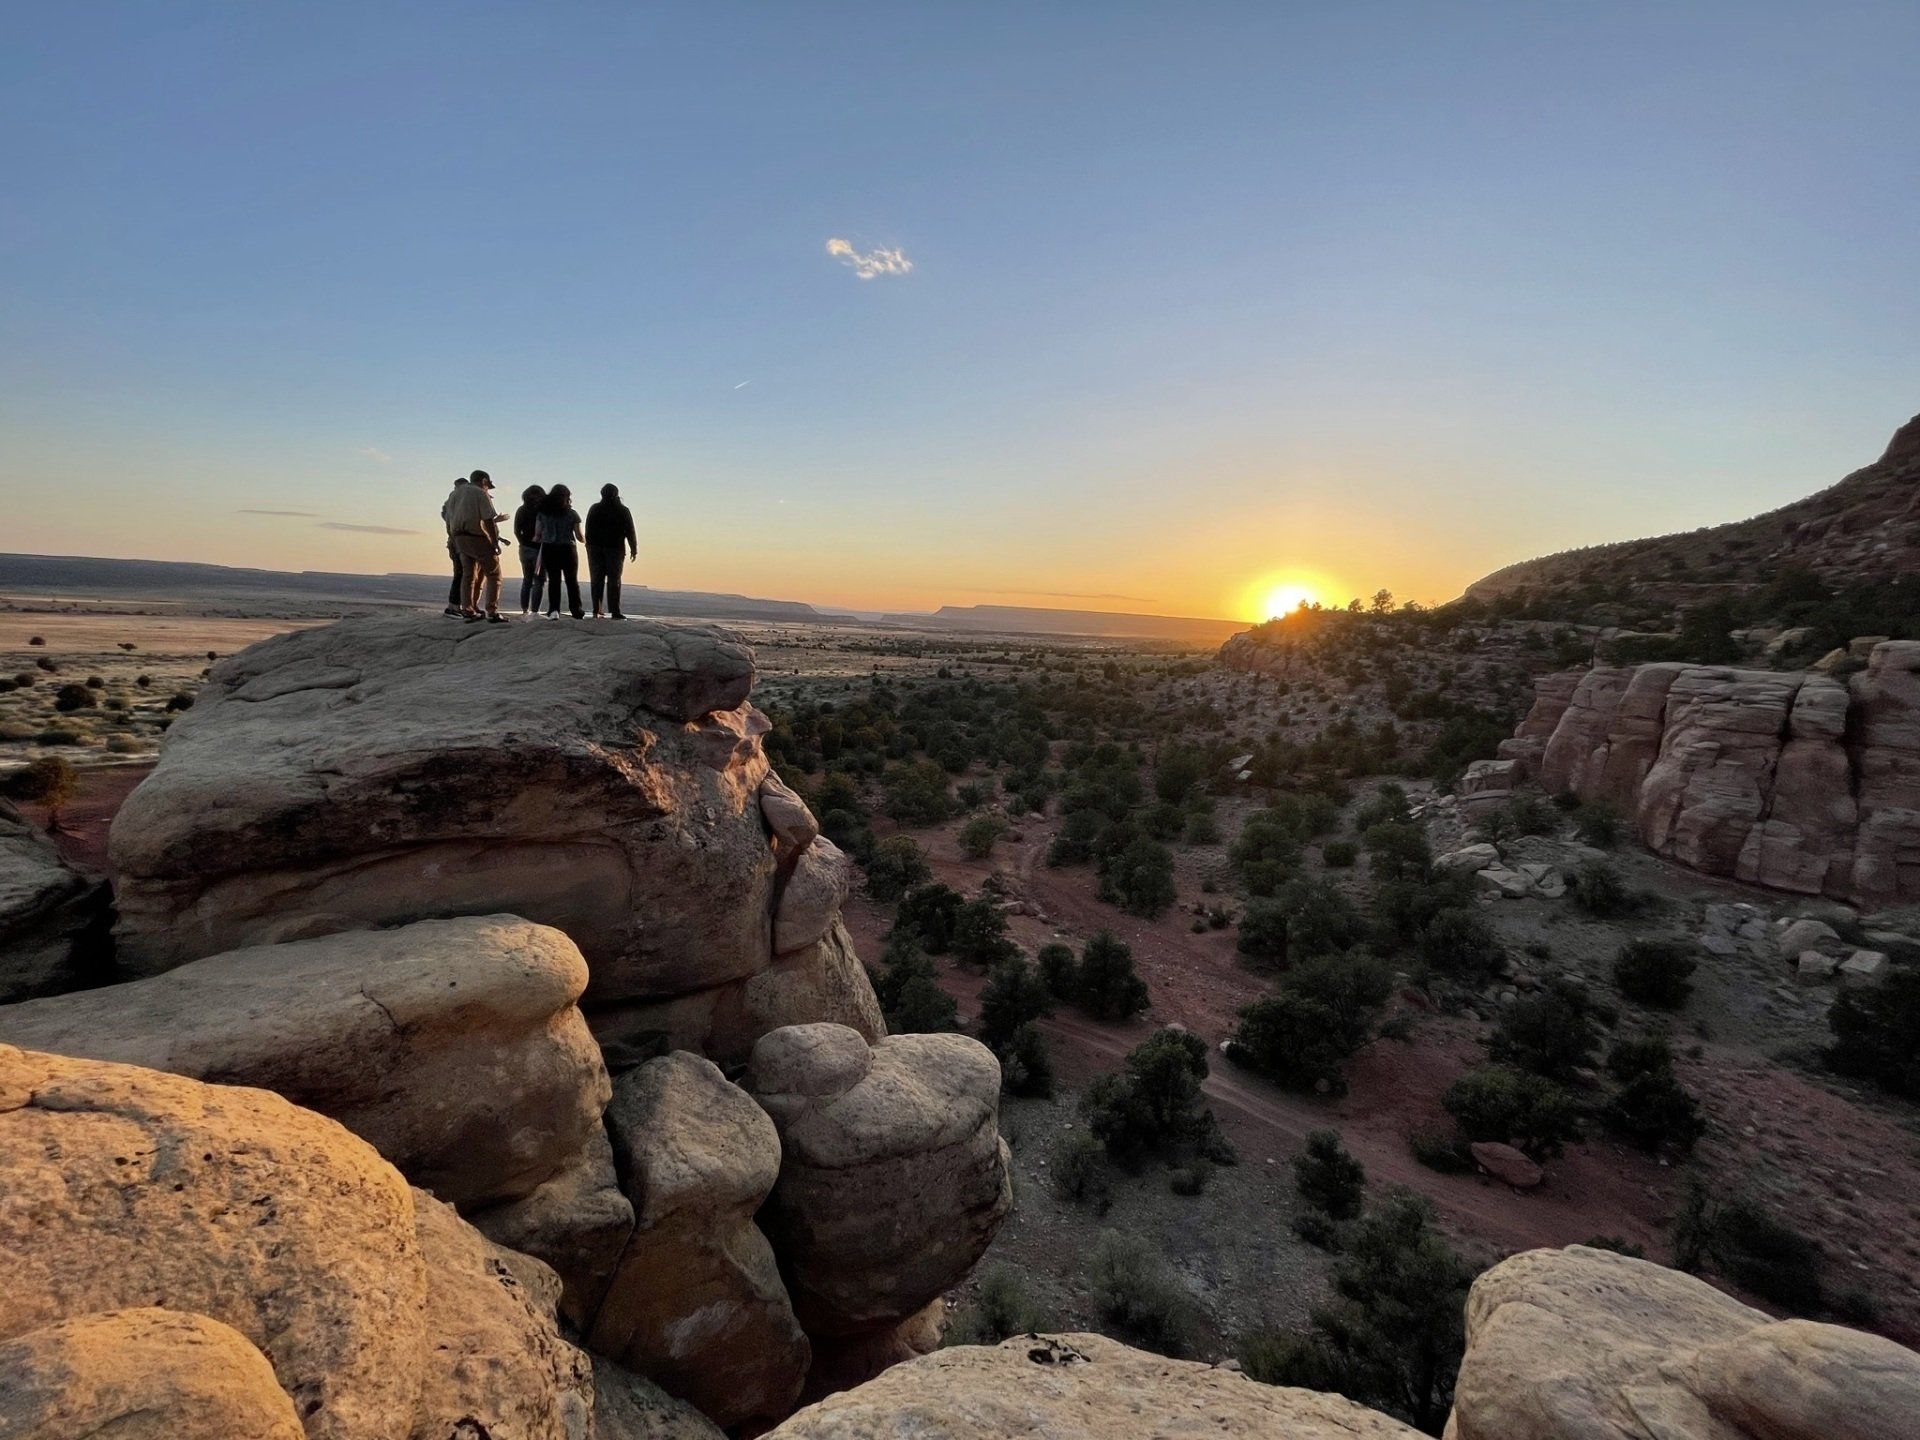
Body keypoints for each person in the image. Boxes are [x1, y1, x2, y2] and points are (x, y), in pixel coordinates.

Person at [445, 470, 508, 623]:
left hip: (459, 538)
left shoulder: (455, 494)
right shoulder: (480, 493)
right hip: (476, 537)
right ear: (484, 481)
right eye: (488, 485)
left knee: (468, 575)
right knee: (494, 574)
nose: (488, 489)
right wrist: (494, 542)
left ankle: (468, 610)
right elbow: (488, 519)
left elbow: (448, 519)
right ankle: (492, 612)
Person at [584, 483, 638, 620]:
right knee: (614, 580)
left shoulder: (595, 508)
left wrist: (589, 547)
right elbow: (630, 531)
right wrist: (633, 548)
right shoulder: (623, 510)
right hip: (615, 549)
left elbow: (588, 530)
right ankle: (614, 611)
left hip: (597, 549)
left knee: (597, 579)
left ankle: (597, 609)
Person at [534, 484, 585, 619]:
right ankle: (576, 609)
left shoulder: (542, 513)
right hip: (568, 549)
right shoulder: (572, 514)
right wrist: (586, 540)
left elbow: (537, 534)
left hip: (549, 548)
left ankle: (554, 610)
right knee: (572, 580)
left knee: (554, 580)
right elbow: (579, 536)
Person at [512, 485, 546, 615]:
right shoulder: (542, 511)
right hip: (539, 548)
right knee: (539, 580)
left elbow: (516, 530)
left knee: (527, 579)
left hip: (525, 547)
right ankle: (535, 610)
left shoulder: (521, 510)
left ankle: (524, 609)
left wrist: (522, 542)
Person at [440, 475, 470, 616]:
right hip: (458, 542)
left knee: (460, 574)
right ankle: (455, 606)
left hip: (453, 541)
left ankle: (455, 605)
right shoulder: (458, 499)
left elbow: (445, 516)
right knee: (462, 574)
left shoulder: (450, 501)